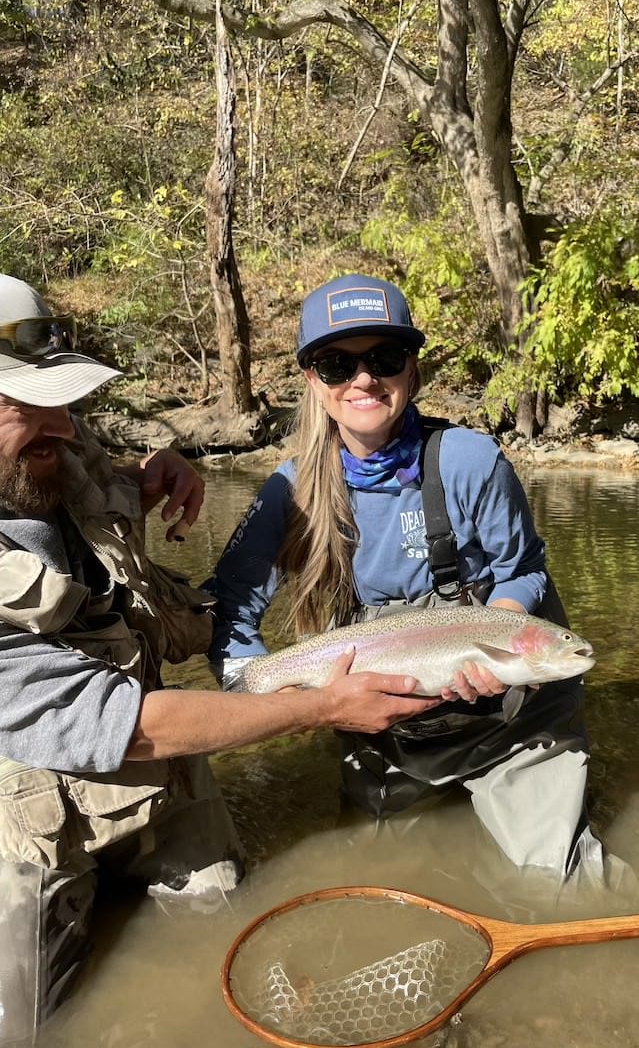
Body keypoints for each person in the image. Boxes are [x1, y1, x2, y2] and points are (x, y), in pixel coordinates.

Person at [0, 274, 432, 1047]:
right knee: (31, 1030)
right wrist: (320, 705)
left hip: (157, 775)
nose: (63, 426)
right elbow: (128, 726)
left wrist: (152, 474)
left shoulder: (54, 447)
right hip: (34, 804)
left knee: (234, 956)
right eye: (28, 405)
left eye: (67, 401)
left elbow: (85, 492)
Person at [208, 272, 615, 889]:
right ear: (313, 382)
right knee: (370, 883)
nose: (363, 378)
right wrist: (294, 703)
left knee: (561, 885)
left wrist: (499, 634)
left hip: (509, 723)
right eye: (336, 365)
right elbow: (230, 609)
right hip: (384, 731)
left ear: (412, 371)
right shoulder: (287, 492)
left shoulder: (471, 461)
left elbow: (524, 570)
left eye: (384, 358)